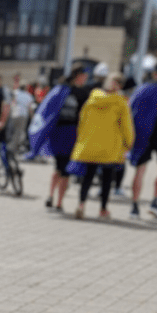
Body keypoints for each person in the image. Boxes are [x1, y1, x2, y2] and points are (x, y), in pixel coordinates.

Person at [70, 73, 134, 220]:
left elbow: (82, 119)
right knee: (107, 179)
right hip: (110, 146)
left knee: (88, 176)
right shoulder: (121, 102)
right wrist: (128, 143)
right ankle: (103, 209)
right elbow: (126, 126)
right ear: (120, 86)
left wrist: (82, 139)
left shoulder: (92, 99)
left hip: (90, 143)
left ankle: (81, 204)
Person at [30, 66, 93, 212]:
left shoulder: (83, 92)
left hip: (72, 134)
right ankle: (54, 199)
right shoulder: (62, 90)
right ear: (78, 75)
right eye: (84, 75)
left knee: (62, 169)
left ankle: (55, 199)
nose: (85, 79)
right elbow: (48, 109)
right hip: (61, 133)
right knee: (61, 168)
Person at [127, 59, 157, 220]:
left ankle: (134, 206)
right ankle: (155, 202)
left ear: (154, 72)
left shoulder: (144, 88)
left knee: (140, 169)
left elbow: (131, 109)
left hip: (144, 133)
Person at [7, 73, 34, 155]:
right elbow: (30, 109)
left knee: (11, 131)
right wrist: (32, 118)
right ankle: (11, 149)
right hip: (23, 116)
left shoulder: (15, 93)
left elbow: (10, 103)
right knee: (18, 133)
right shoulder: (29, 96)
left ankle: (9, 146)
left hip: (14, 114)